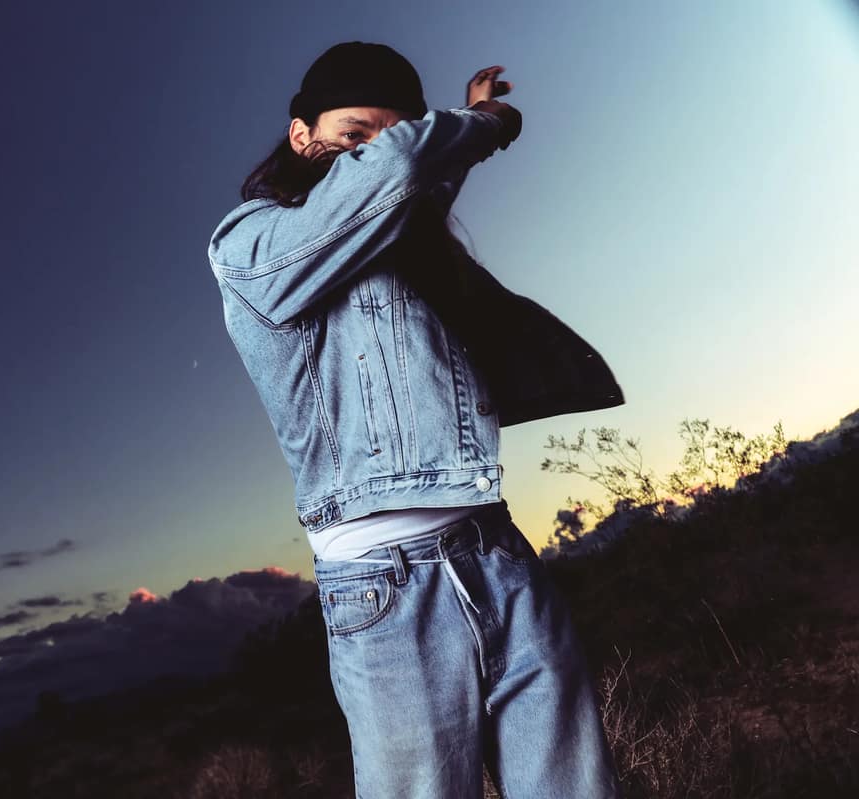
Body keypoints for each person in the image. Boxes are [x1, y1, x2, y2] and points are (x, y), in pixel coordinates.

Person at [207, 40, 624, 799]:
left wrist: (456, 143)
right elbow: (397, 171)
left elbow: (407, 185)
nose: (375, 151)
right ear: (301, 136)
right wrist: (483, 120)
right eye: (354, 132)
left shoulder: (396, 222)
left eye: (395, 130)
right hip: (387, 593)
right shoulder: (249, 245)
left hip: (499, 556)